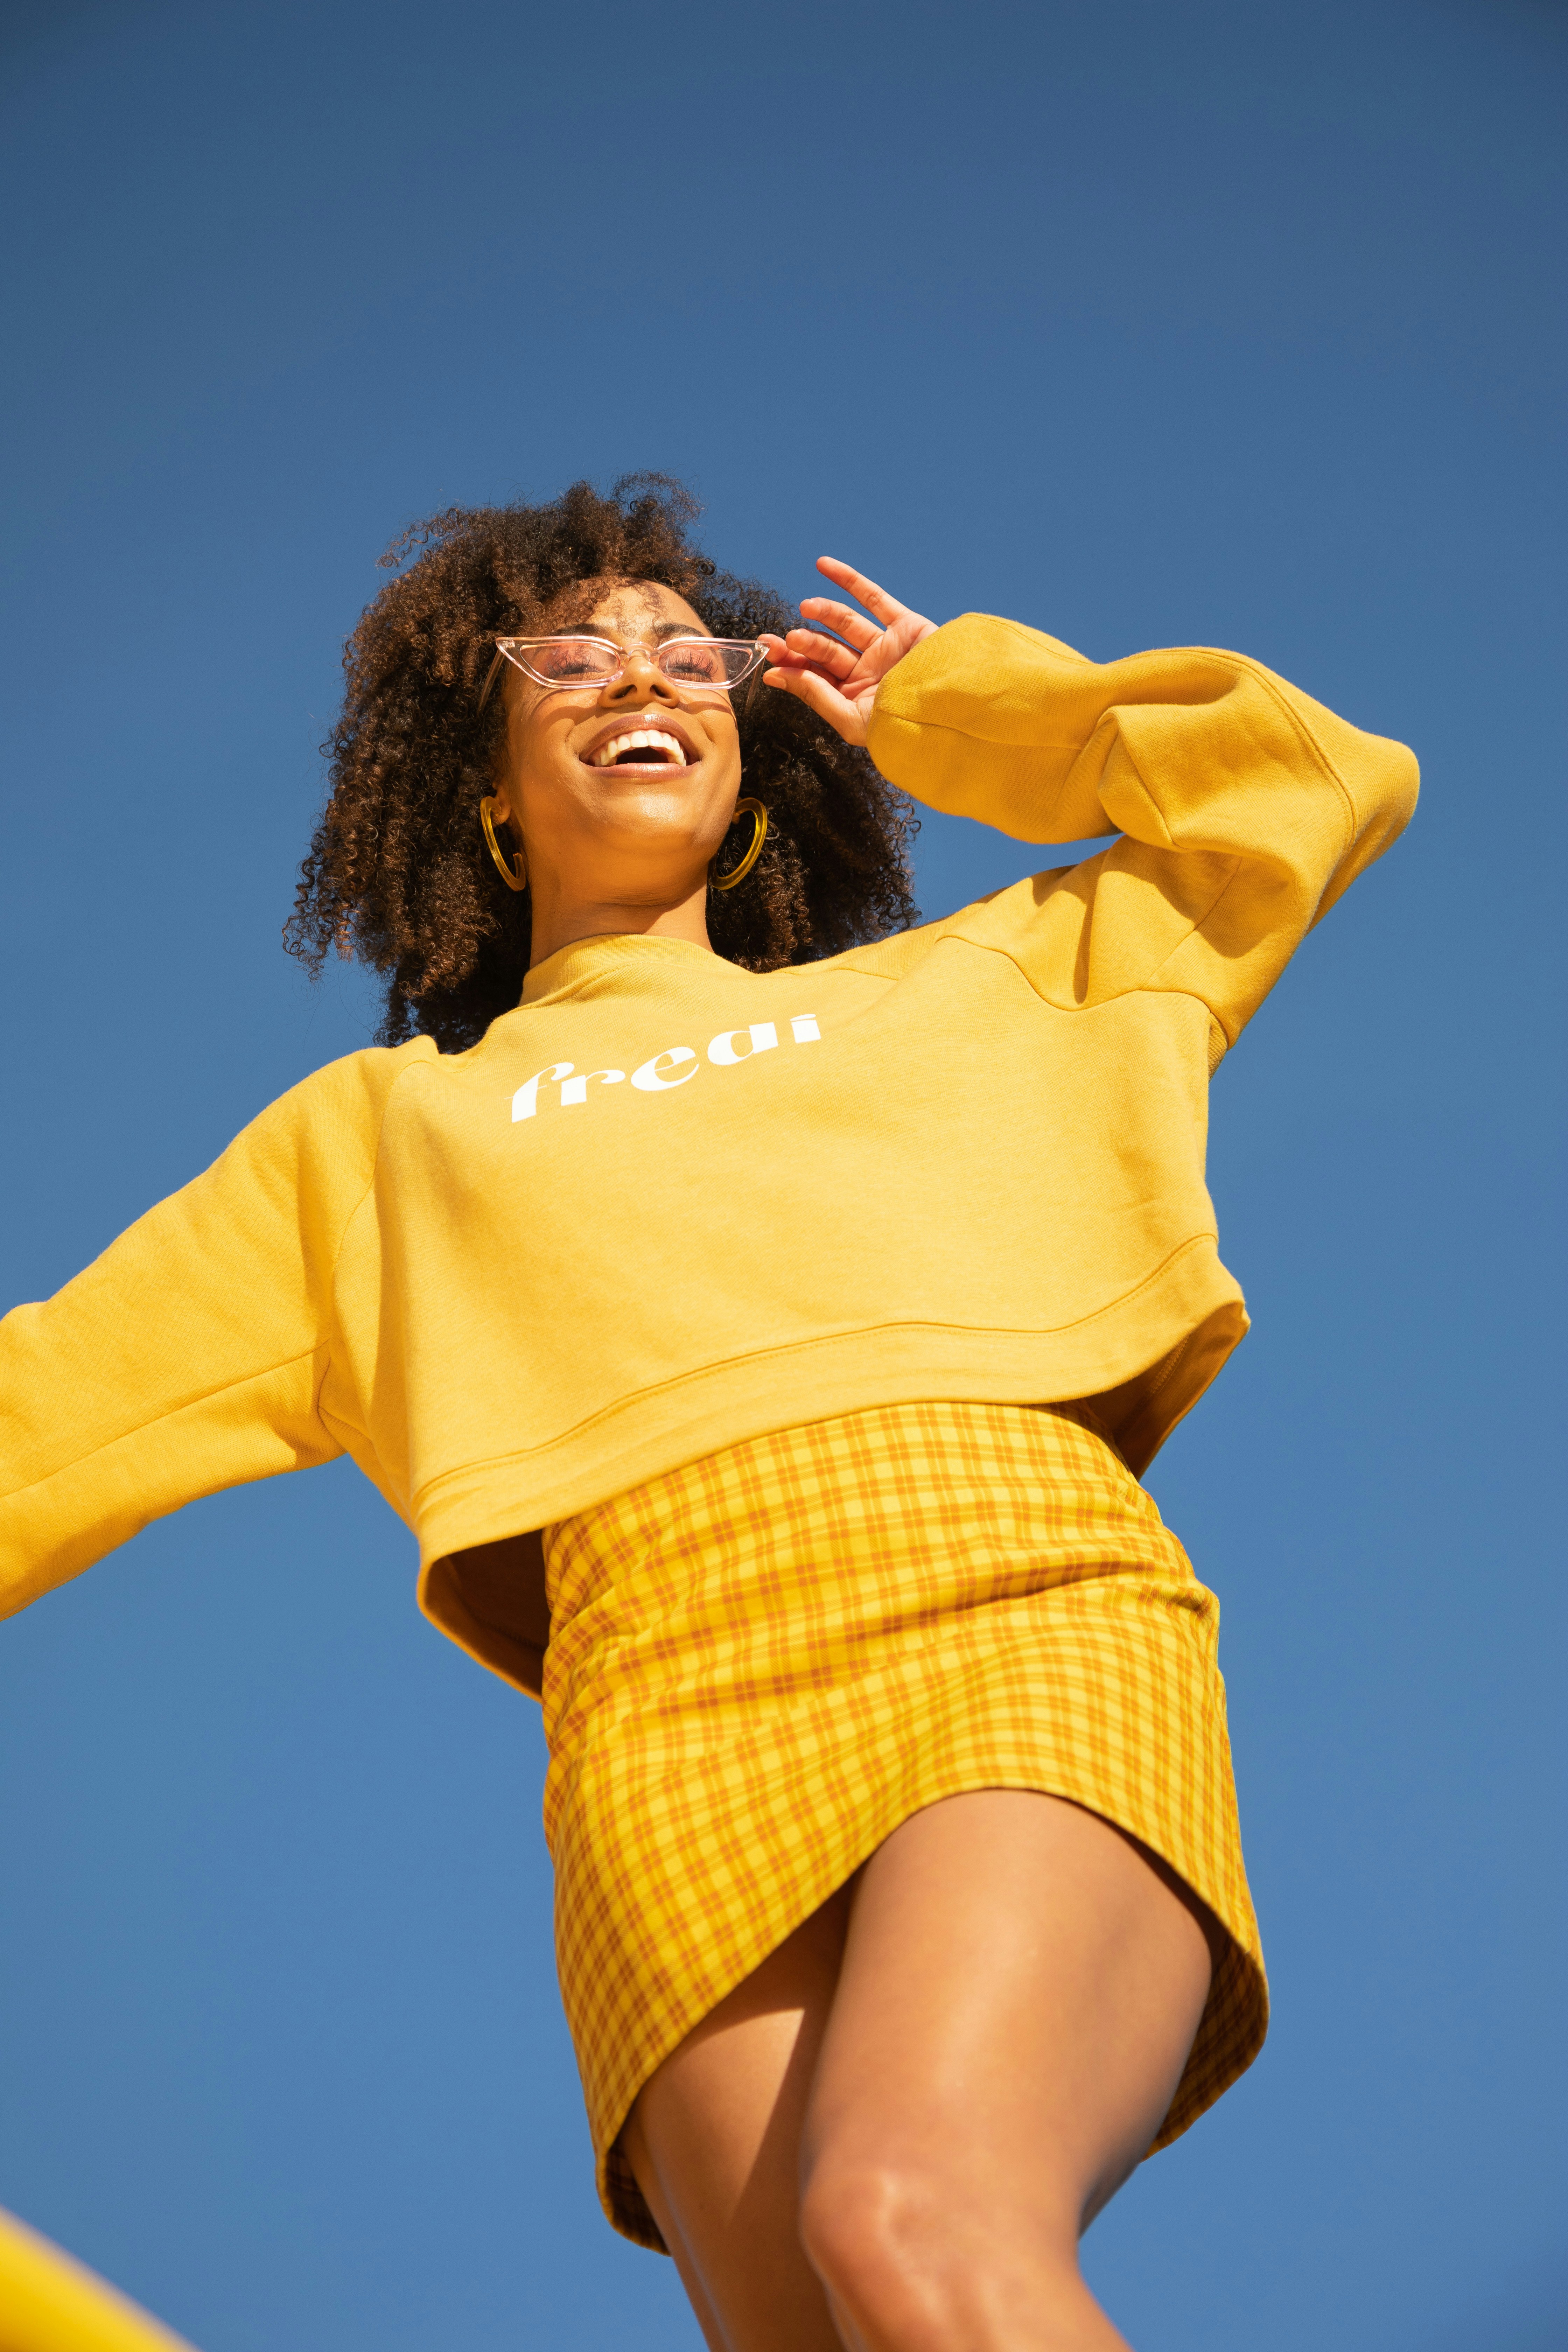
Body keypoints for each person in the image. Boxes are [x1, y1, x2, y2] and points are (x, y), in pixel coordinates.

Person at [0, 476, 1418, 2352]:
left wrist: (956, 705)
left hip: (1010, 1606)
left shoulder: (1004, 979)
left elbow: (1304, 779)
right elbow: (45, 1418)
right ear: (487, 790)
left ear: (753, 761)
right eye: (571, 657)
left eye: (688, 654)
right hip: (659, 1715)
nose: (636, 675)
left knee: (911, 2224)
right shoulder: (373, 1145)